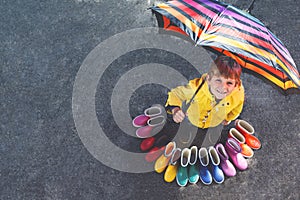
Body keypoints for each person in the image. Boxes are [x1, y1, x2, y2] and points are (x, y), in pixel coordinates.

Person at [165, 55, 244, 147]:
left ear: (236, 85)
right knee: (187, 126)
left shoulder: (238, 94)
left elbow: (237, 107)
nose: (223, 87)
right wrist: (176, 110)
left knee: (214, 130)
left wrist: (228, 118)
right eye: (218, 80)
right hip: (193, 118)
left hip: (215, 121)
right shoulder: (194, 89)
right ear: (208, 79)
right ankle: (186, 133)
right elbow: (175, 94)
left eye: (229, 83)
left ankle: (211, 135)